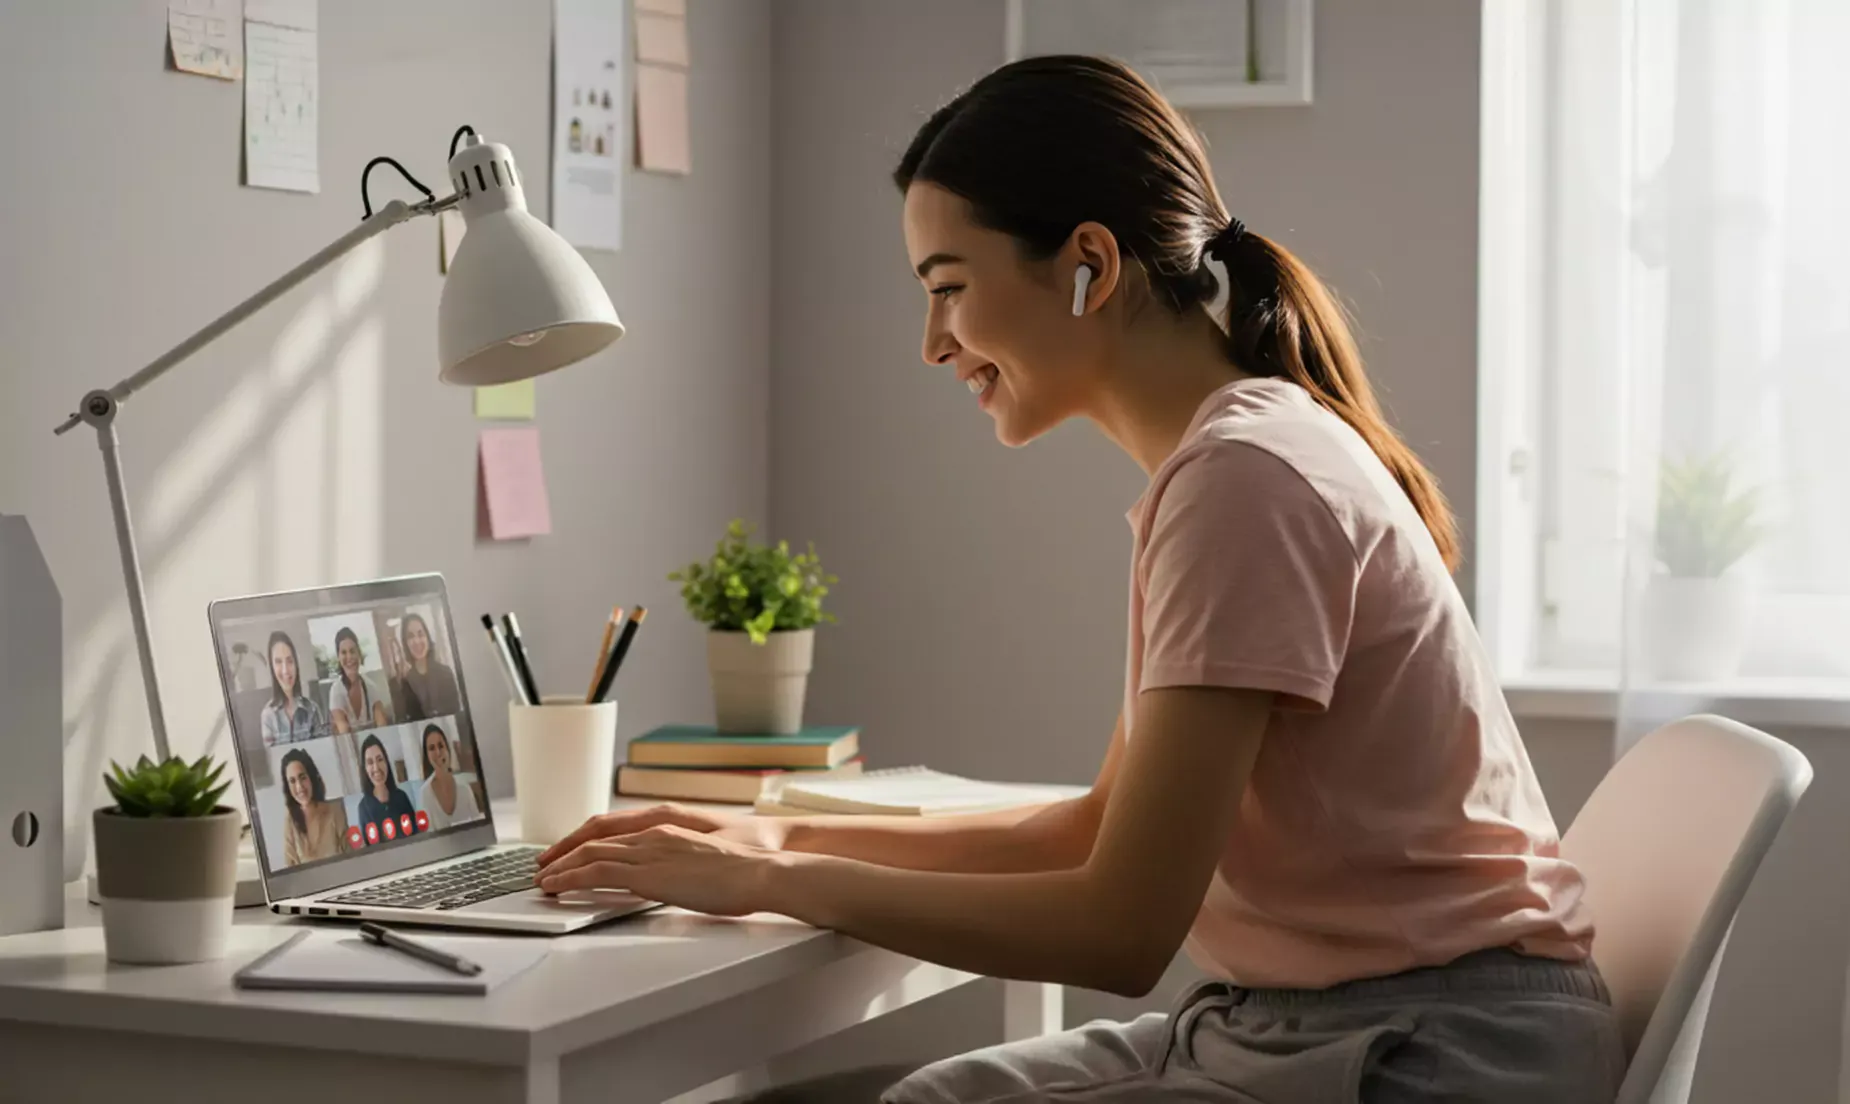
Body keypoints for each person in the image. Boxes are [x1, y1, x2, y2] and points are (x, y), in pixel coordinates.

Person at [530, 55, 1622, 1104]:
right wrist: (769, 834)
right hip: (1355, 1024)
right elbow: (1093, 829)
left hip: (1423, 1055)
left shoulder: (1241, 482)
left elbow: (1119, 930)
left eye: (948, 287)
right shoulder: (1234, 456)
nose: (930, 342)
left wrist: (771, 882)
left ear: (1088, 264)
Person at [279, 748, 351, 866]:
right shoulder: (290, 820)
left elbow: (351, 857)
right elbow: (291, 871)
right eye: (292, 781)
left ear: (311, 778)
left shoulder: (335, 809)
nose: (299, 787)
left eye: (302, 777)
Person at [259, 631, 328, 747]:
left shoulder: (312, 709)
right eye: (278, 662)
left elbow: (322, 751)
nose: (285, 670)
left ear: (296, 664)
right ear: (272, 667)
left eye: (290, 661)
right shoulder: (268, 716)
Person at [390, 612, 461, 723]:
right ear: (405, 643)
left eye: (420, 634)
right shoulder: (403, 682)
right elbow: (402, 720)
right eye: (410, 636)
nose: (417, 641)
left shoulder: (445, 673)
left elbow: (457, 715)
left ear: (427, 637)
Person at [412, 722, 481, 831]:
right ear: (427, 756)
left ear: (447, 749)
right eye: (432, 748)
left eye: (441, 746)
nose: (438, 752)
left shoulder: (465, 788)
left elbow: (478, 827)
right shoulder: (424, 795)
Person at [328, 626, 391, 735]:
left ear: (359, 653)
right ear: (338, 657)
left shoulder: (371, 687)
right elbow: (344, 733)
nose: (349, 657)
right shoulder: (336, 691)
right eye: (344, 652)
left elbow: (383, 728)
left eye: (352, 651)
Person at [356, 733, 415, 843]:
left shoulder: (401, 797)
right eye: (370, 762)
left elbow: (416, 835)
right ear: (364, 769)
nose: (376, 768)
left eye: (380, 759)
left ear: (386, 762)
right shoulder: (363, 808)